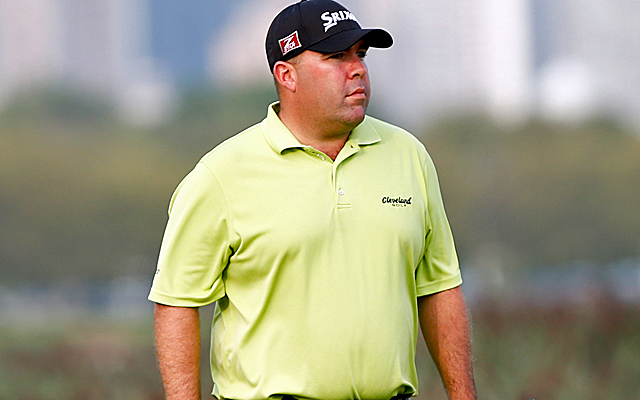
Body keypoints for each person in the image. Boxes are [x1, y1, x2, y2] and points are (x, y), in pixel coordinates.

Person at [149, 1, 477, 399]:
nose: (357, 69)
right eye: (336, 57)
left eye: (360, 54)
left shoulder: (409, 156)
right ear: (286, 74)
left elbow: (440, 288)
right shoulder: (220, 175)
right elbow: (177, 305)